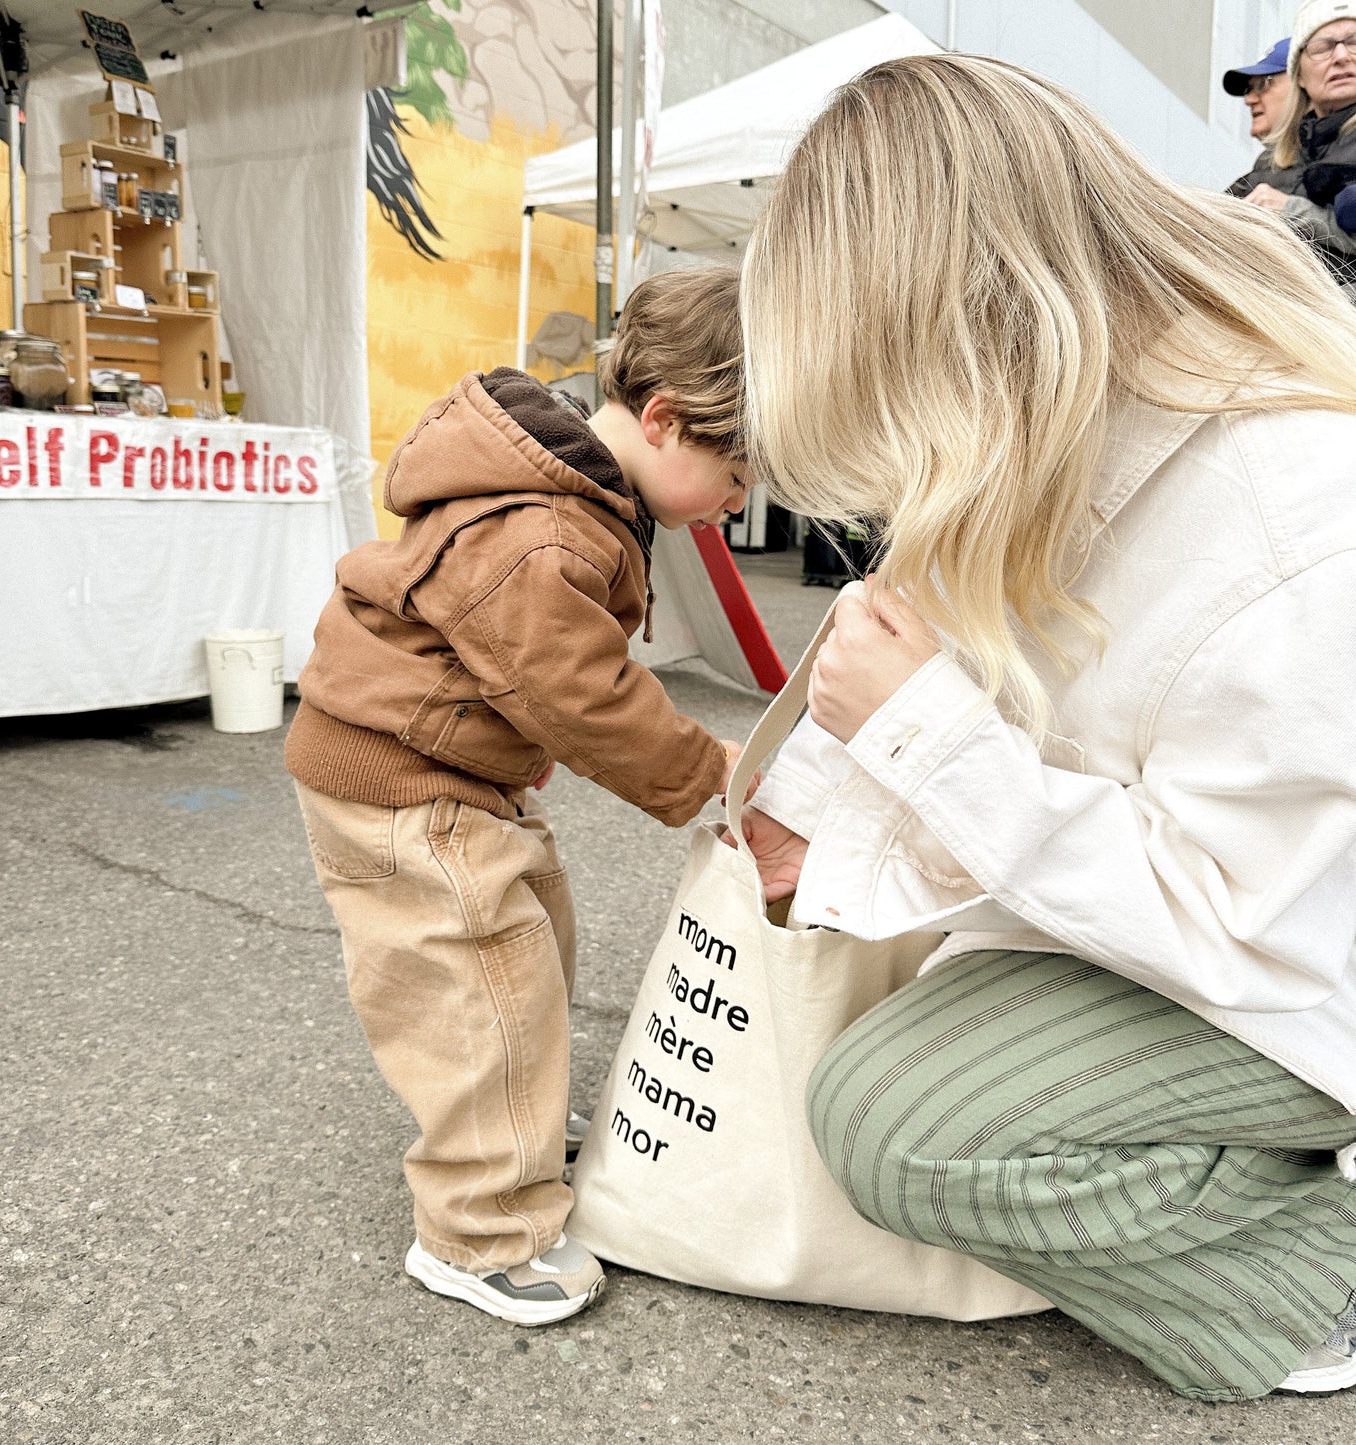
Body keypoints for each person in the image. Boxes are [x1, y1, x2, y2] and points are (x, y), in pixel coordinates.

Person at [735, 52, 1356, 1403]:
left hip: (1307, 977)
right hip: (1241, 928)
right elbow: (955, 640)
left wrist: (920, 745)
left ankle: (1322, 1273)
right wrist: (812, 784)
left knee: (899, 1126)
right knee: (918, 1028)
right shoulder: (1060, 425)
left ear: (966, 338)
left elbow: (1250, 925)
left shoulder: (1296, 515)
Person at [285, 268, 751, 1326]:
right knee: (481, 983)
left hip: (450, 769)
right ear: (669, 420)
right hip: (409, 781)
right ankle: (482, 1229)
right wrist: (698, 772)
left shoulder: (570, 493)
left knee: (531, 940)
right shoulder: (548, 531)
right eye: (736, 472)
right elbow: (578, 694)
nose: (736, 501)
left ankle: (519, 1118)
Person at [1234, 0, 1356, 289]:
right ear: (1298, 75)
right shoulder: (1270, 163)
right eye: (1321, 48)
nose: (1340, 56)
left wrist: (1292, 211)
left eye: (1354, 42)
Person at [1222, 36, 1291, 148]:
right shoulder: (1266, 164)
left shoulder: (1327, 157)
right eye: (1248, 89)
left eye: (1263, 84)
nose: (1248, 100)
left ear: (1302, 84)